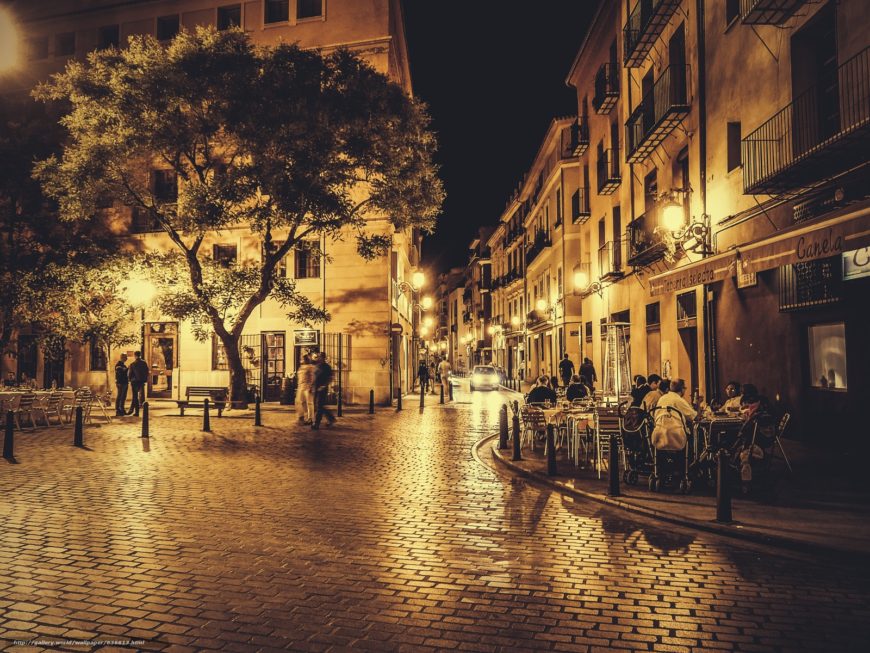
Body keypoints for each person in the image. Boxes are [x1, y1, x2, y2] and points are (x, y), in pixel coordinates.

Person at [311, 352, 335, 430]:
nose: (318, 358)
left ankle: (316, 423)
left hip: (322, 388)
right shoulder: (317, 366)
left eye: (320, 357)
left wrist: (324, 386)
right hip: (316, 388)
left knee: (319, 406)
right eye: (318, 356)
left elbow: (330, 378)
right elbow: (314, 377)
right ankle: (331, 418)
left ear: (323, 358)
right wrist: (311, 386)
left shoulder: (327, 367)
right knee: (318, 406)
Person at [127, 351, 149, 417]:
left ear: (135, 355)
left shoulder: (133, 364)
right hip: (141, 381)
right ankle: (132, 410)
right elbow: (146, 372)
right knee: (138, 396)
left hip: (134, 382)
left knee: (135, 396)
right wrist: (144, 379)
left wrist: (130, 379)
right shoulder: (144, 363)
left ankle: (136, 412)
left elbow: (129, 374)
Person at [296, 354, 315, 425]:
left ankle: (310, 418)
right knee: (300, 402)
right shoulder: (301, 367)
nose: (302, 360)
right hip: (301, 386)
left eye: (304, 359)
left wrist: (311, 386)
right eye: (302, 359)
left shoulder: (311, 367)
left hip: (308, 387)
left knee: (309, 403)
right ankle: (302, 415)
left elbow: (313, 378)